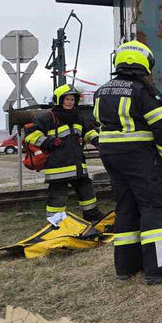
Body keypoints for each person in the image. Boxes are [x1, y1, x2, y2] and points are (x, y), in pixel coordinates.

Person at [94, 40, 162, 285]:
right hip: (139, 156)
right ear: (144, 62)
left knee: (126, 208)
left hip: (111, 156)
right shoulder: (143, 90)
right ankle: (159, 269)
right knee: (154, 208)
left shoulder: (103, 90)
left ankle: (126, 266)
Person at [25, 84, 103, 222]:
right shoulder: (48, 117)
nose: (70, 102)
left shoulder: (78, 117)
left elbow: (88, 131)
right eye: (67, 99)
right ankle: (56, 222)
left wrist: (95, 139)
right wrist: (48, 142)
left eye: (72, 100)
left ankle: (93, 217)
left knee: (87, 191)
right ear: (59, 100)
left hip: (78, 165)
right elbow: (30, 135)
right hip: (58, 167)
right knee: (58, 197)